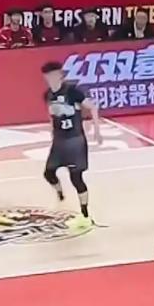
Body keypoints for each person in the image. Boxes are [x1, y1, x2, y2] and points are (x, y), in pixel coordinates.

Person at [41, 61, 102, 231]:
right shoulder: (47, 95)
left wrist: (97, 130)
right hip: (59, 141)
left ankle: (85, 215)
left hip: (75, 140)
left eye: (55, 74)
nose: (51, 78)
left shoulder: (72, 92)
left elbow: (92, 107)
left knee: (76, 178)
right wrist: (52, 132)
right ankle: (60, 194)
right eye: (48, 75)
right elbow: (51, 116)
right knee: (48, 173)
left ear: (60, 75)